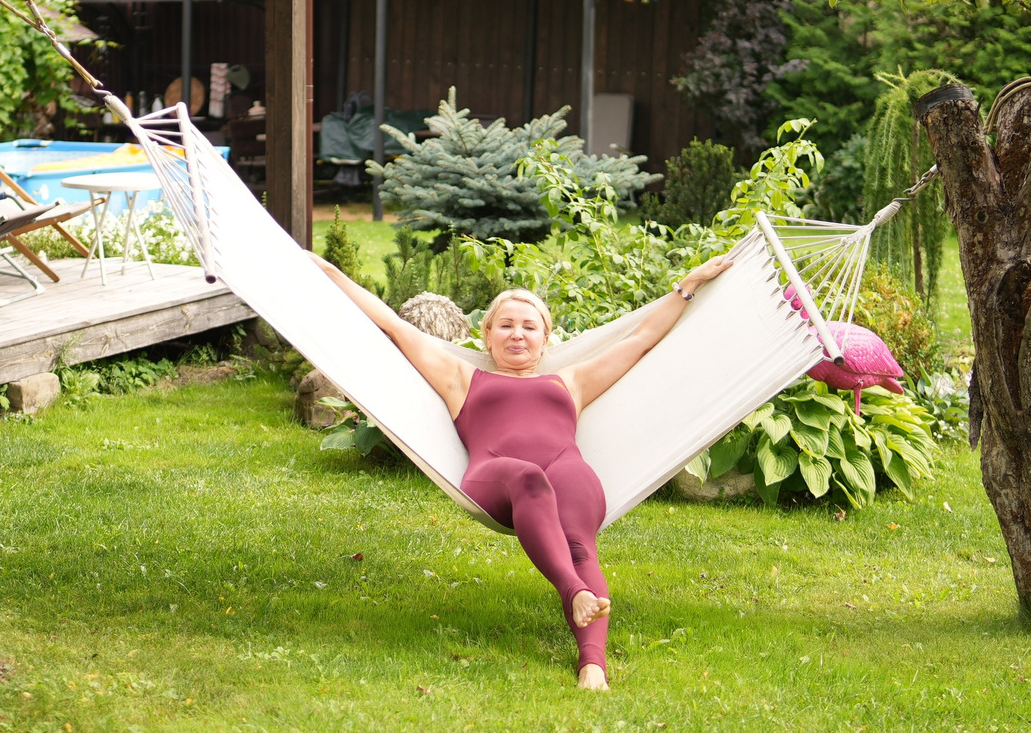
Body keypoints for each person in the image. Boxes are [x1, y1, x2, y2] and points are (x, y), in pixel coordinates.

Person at [306, 252, 735, 690]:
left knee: (581, 543)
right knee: (528, 477)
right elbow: (395, 328)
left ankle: (593, 667)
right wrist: (331, 273)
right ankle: (573, 590)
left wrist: (691, 282)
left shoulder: (571, 381)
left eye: (529, 327)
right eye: (506, 325)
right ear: (487, 335)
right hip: (498, 475)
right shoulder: (461, 377)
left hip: (566, 468)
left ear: (545, 340)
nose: (517, 335)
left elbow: (641, 338)